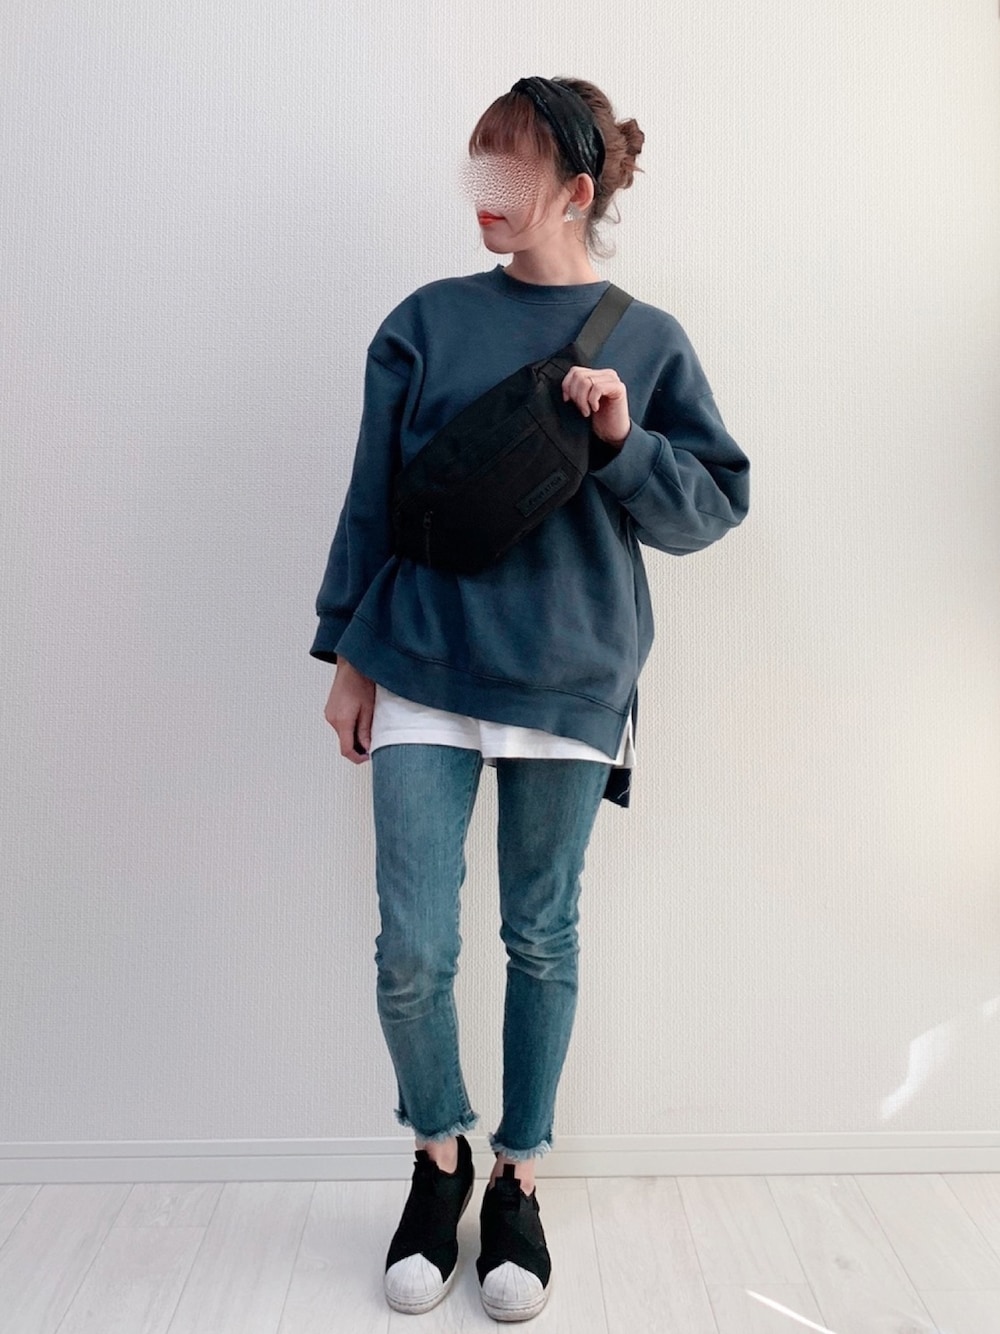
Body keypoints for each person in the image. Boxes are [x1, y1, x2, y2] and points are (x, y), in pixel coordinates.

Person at [310, 75, 749, 1322]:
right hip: (420, 663)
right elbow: (372, 498)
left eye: (507, 174)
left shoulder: (646, 339)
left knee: (540, 935)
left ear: (575, 190)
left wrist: (621, 442)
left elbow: (711, 508)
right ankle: (437, 1153)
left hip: (567, 676)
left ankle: (518, 1175)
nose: (483, 197)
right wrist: (347, 652)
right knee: (414, 947)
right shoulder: (423, 322)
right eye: (474, 169)